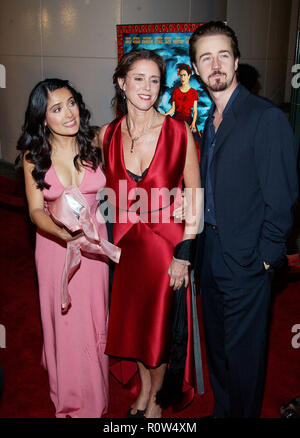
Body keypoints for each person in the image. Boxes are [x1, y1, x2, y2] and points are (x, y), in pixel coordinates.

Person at [189, 21, 298, 418]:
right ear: (197, 69)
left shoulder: (265, 118)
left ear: (236, 61)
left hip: (248, 260)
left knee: (245, 356)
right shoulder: (209, 122)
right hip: (212, 253)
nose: (215, 64)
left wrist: (266, 260)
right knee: (218, 348)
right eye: (206, 58)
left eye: (222, 55)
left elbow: (282, 199)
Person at [98, 49, 201, 418]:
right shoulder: (106, 135)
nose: (147, 87)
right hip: (125, 247)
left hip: (166, 249)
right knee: (134, 325)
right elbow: (98, 190)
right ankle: (143, 388)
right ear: (122, 82)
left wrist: (184, 253)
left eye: (155, 80)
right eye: (138, 78)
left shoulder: (178, 133)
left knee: (158, 327)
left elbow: (194, 196)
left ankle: (156, 397)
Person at [16, 78, 110, 418]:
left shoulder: (95, 142)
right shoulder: (33, 157)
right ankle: (70, 397)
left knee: (93, 317)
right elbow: (35, 212)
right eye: (56, 109)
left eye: (71, 103)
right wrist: (66, 236)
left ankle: (94, 384)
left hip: (95, 245)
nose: (68, 113)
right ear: (43, 119)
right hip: (56, 247)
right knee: (65, 319)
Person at [165, 63, 198, 132]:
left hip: (188, 122)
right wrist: (164, 115)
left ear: (189, 76)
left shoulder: (193, 92)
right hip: (176, 120)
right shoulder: (176, 91)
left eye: (184, 75)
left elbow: (194, 111)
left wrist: (193, 123)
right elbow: (173, 109)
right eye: (181, 76)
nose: (182, 78)